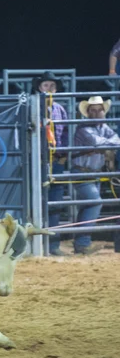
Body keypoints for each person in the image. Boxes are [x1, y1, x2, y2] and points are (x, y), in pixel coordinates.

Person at [72, 96, 120, 255]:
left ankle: (80, 244)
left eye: (100, 109)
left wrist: (106, 143)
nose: (97, 113)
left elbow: (116, 140)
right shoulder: (83, 128)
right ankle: (83, 243)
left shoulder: (103, 127)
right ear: (88, 113)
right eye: (93, 110)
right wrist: (106, 143)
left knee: (88, 205)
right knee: (95, 203)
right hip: (82, 172)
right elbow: (98, 143)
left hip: (94, 173)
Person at [33, 71, 68, 256]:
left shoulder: (59, 109)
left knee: (55, 203)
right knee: (37, 201)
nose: (49, 89)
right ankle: (37, 245)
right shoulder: (33, 108)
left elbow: (65, 134)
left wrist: (64, 155)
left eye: (52, 86)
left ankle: (53, 245)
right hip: (38, 161)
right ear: (39, 87)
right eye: (46, 85)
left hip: (56, 161)